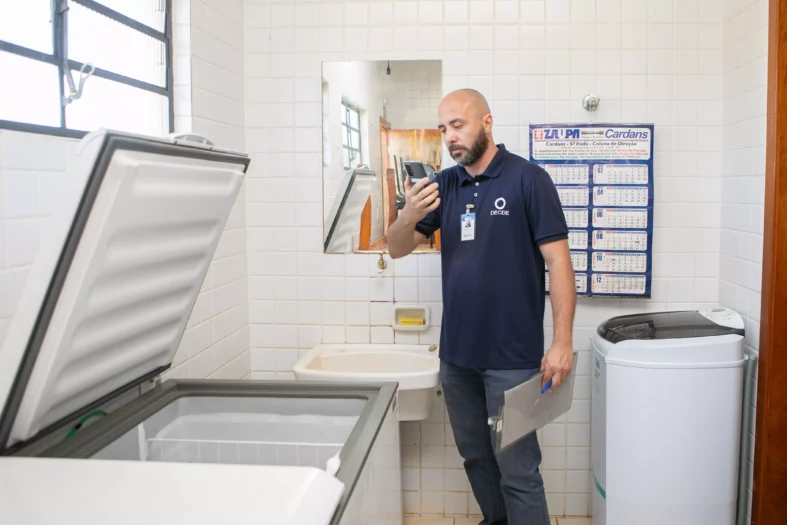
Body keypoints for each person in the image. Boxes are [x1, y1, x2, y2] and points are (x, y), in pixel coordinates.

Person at [387, 89, 576, 525]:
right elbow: (396, 248)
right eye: (443, 129)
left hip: (513, 358)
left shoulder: (529, 180)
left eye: (458, 125)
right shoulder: (443, 186)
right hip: (458, 359)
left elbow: (559, 263)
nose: (450, 137)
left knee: (518, 470)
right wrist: (407, 214)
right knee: (476, 458)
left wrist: (562, 341)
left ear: (486, 123)